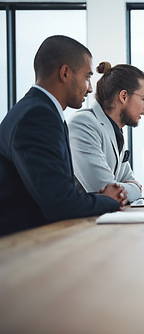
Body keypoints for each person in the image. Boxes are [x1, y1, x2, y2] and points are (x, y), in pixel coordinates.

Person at [0, 35, 127, 237]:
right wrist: (108, 200)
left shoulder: (37, 110)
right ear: (65, 73)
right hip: (21, 245)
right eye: (87, 77)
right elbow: (59, 204)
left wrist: (100, 198)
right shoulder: (38, 116)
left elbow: (56, 193)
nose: (90, 88)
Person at [68, 62, 144, 203]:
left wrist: (133, 187)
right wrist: (132, 188)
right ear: (123, 96)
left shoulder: (115, 130)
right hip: (77, 222)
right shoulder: (83, 123)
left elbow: (132, 183)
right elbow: (106, 190)